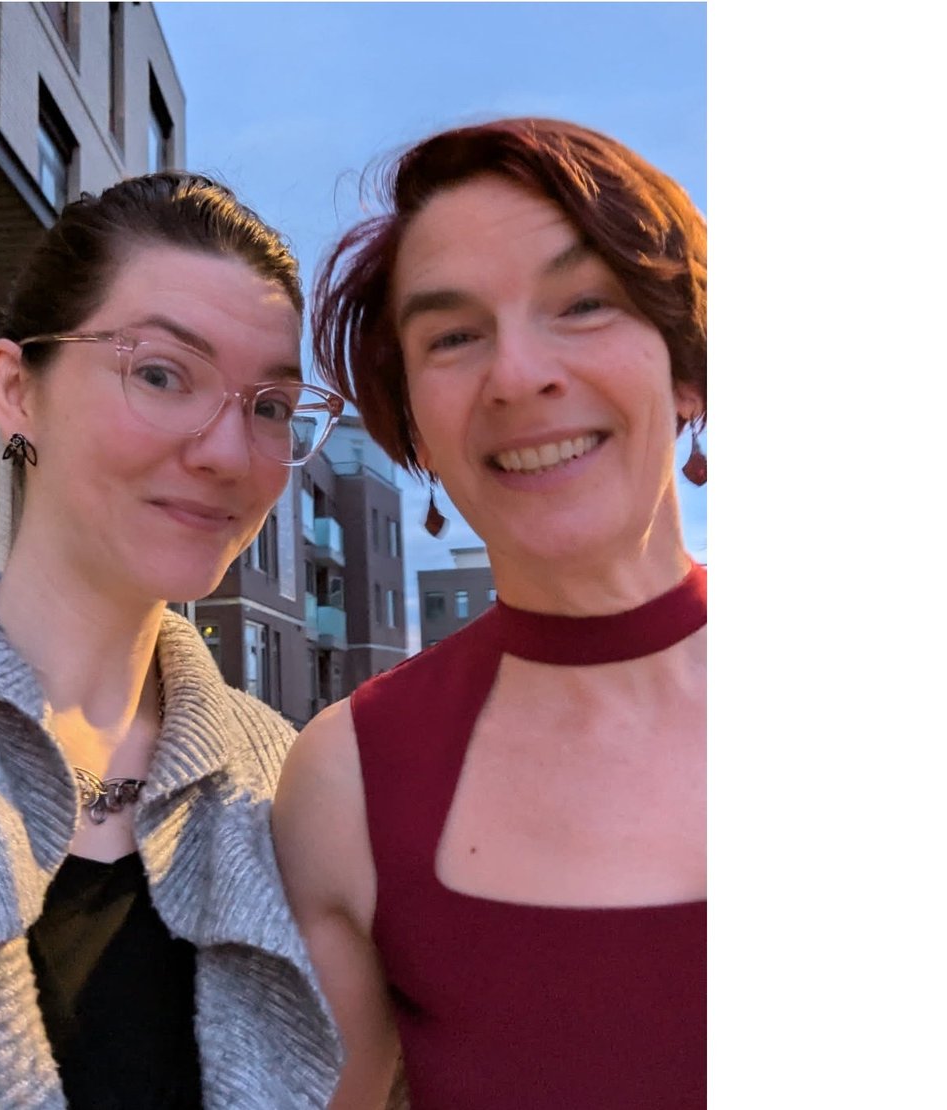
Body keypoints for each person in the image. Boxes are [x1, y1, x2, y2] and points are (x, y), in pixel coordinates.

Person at [275, 119, 708, 1109]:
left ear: (686, 368)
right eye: (455, 336)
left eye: (584, 304)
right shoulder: (347, 781)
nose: (518, 376)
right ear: (414, 422)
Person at [0, 172, 346, 1109]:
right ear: (15, 389)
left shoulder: (291, 786)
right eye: (159, 374)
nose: (229, 452)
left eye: (270, 405)